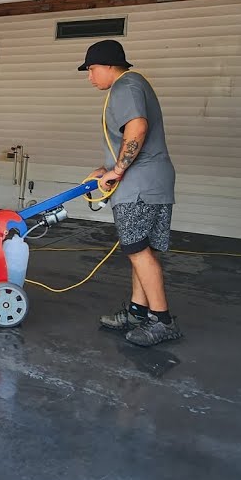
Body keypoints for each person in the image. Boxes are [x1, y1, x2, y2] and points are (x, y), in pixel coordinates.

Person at [80, 39, 180, 347]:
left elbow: (136, 129)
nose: (90, 76)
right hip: (153, 181)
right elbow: (129, 139)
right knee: (142, 251)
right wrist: (106, 167)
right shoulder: (134, 85)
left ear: (109, 66)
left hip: (139, 186)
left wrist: (118, 171)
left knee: (138, 251)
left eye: (92, 69)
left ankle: (162, 321)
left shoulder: (125, 86)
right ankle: (138, 312)